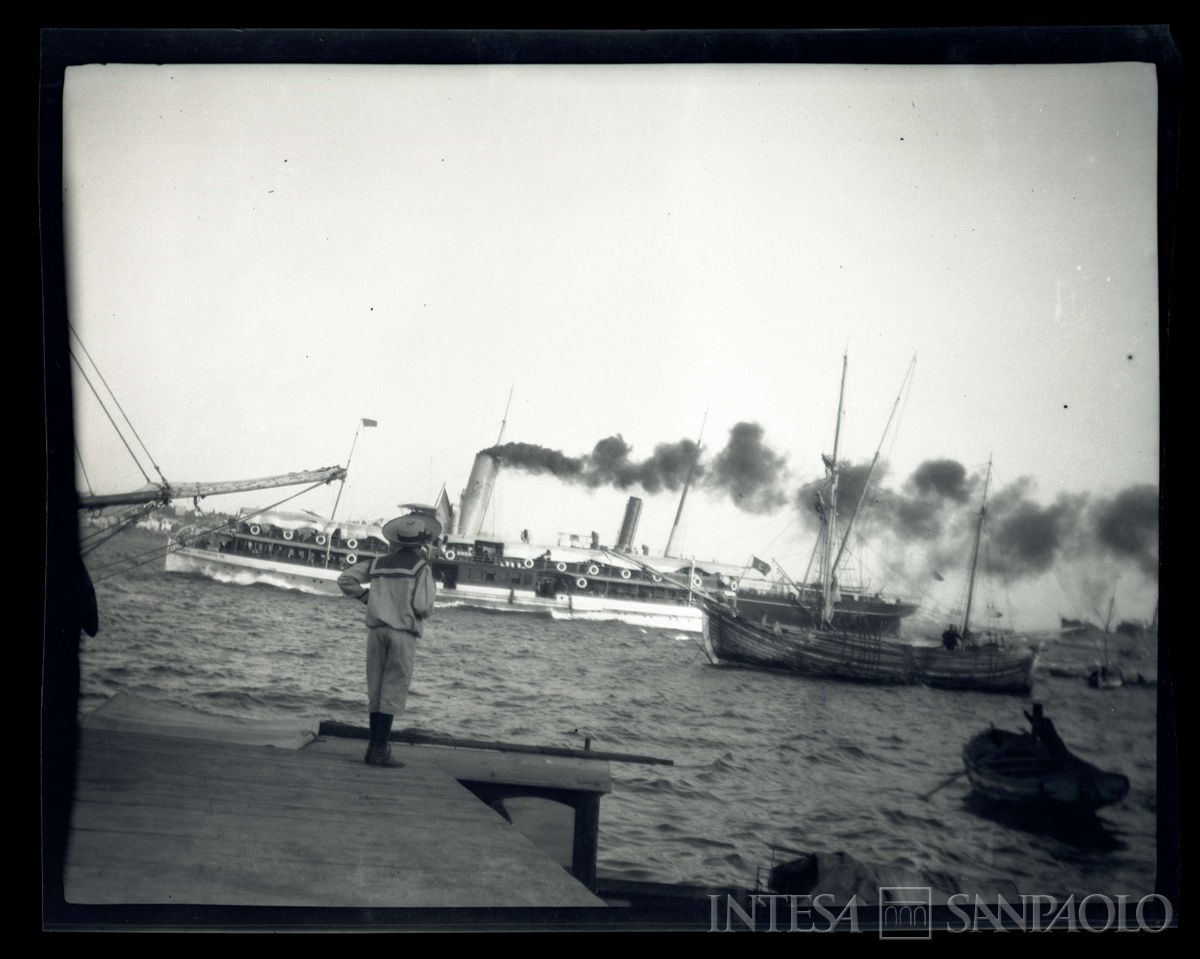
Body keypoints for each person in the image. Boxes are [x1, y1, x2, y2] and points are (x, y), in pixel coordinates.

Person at [338, 512, 441, 766]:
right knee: (393, 690)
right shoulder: (421, 567)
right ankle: (381, 750)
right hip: (402, 634)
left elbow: (345, 579)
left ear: (396, 540)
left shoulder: (377, 563)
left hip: (376, 632)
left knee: (376, 688)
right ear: (421, 543)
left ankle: (372, 748)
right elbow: (421, 605)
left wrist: (367, 599)